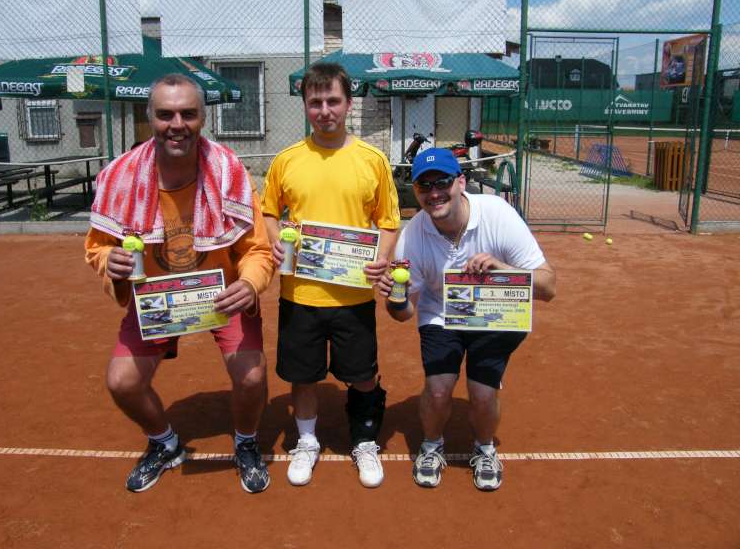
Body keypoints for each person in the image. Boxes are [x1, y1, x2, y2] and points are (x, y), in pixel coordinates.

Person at [85, 73, 274, 494]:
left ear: (202, 118)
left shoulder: (229, 172)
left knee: (251, 378)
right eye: (166, 114)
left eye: (188, 114)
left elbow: (257, 249)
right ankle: (164, 443)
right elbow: (98, 246)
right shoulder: (119, 177)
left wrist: (250, 284)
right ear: (149, 117)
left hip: (220, 294)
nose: (177, 124)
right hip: (157, 300)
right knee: (122, 382)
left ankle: (246, 441)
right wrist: (108, 261)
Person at [379, 147, 556, 491]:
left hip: (494, 313)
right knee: (438, 389)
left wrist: (503, 270)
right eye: (424, 185)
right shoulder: (412, 235)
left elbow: (549, 287)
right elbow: (404, 314)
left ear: (460, 182)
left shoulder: (498, 214)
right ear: (415, 191)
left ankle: (485, 448)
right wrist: (395, 298)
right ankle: (432, 445)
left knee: (482, 393)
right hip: (441, 312)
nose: (434, 193)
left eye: (442, 182)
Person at [260, 62, 400, 488]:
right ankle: (307, 442)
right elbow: (268, 211)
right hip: (300, 293)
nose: (325, 111)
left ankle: (364, 440)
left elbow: (389, 222)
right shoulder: (286, 160)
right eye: (315, 102)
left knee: (362, 375)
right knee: (303, 376)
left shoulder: (372, 160)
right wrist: (275, 242)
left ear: (348, 104)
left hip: (354, 295)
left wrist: (381, 260)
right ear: (305, 106)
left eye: (333, 101)